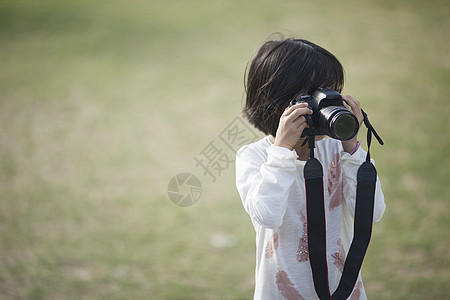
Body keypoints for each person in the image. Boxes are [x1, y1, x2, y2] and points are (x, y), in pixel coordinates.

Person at [236, 37, 386, 300]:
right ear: (276, 101)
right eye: (311, 96)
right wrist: (282, 151)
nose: (322, 104)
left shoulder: (339, 151)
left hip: (344, 291)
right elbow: (267, 215)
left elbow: (372, 212)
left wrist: (352, 149)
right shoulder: (256, 157)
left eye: (329, 92)